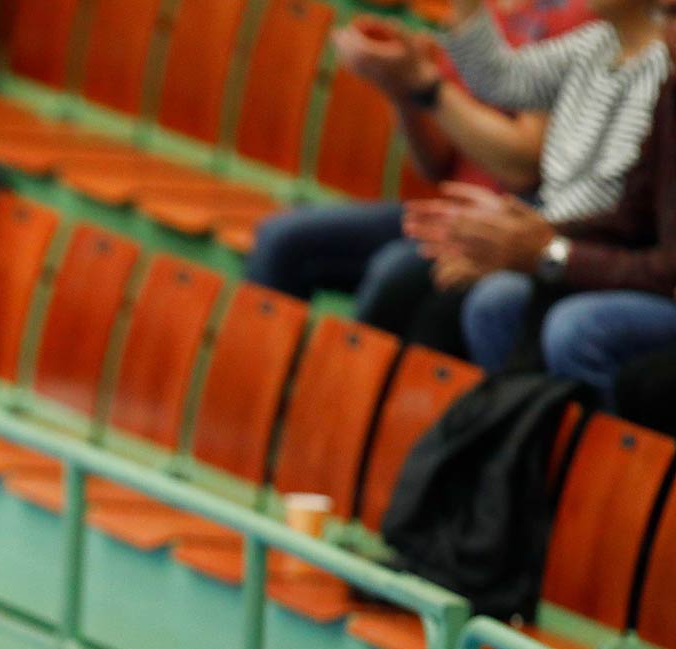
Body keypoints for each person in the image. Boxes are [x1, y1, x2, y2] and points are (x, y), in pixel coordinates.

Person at [243, 0, 583, 329]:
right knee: (281, 239)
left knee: (392, 272)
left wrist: (427, 86)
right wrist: (400, 89)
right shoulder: (484, 9)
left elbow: (520, 168)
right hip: (449, 209)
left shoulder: (575, 16)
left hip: (510, 222)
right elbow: (436, 166)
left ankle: (350, 382)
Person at [407, 65, 676, 395]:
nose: (668, 31)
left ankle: (583, 442)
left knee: (576, 329)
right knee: (491, 300)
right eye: (666, 16)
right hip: (612, 259)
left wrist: (549, 253)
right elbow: (632, 218)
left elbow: (520, 164)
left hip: (651, 283)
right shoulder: (667, 82)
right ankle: (507, 432)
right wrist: (525, 234)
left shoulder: (652, 71)